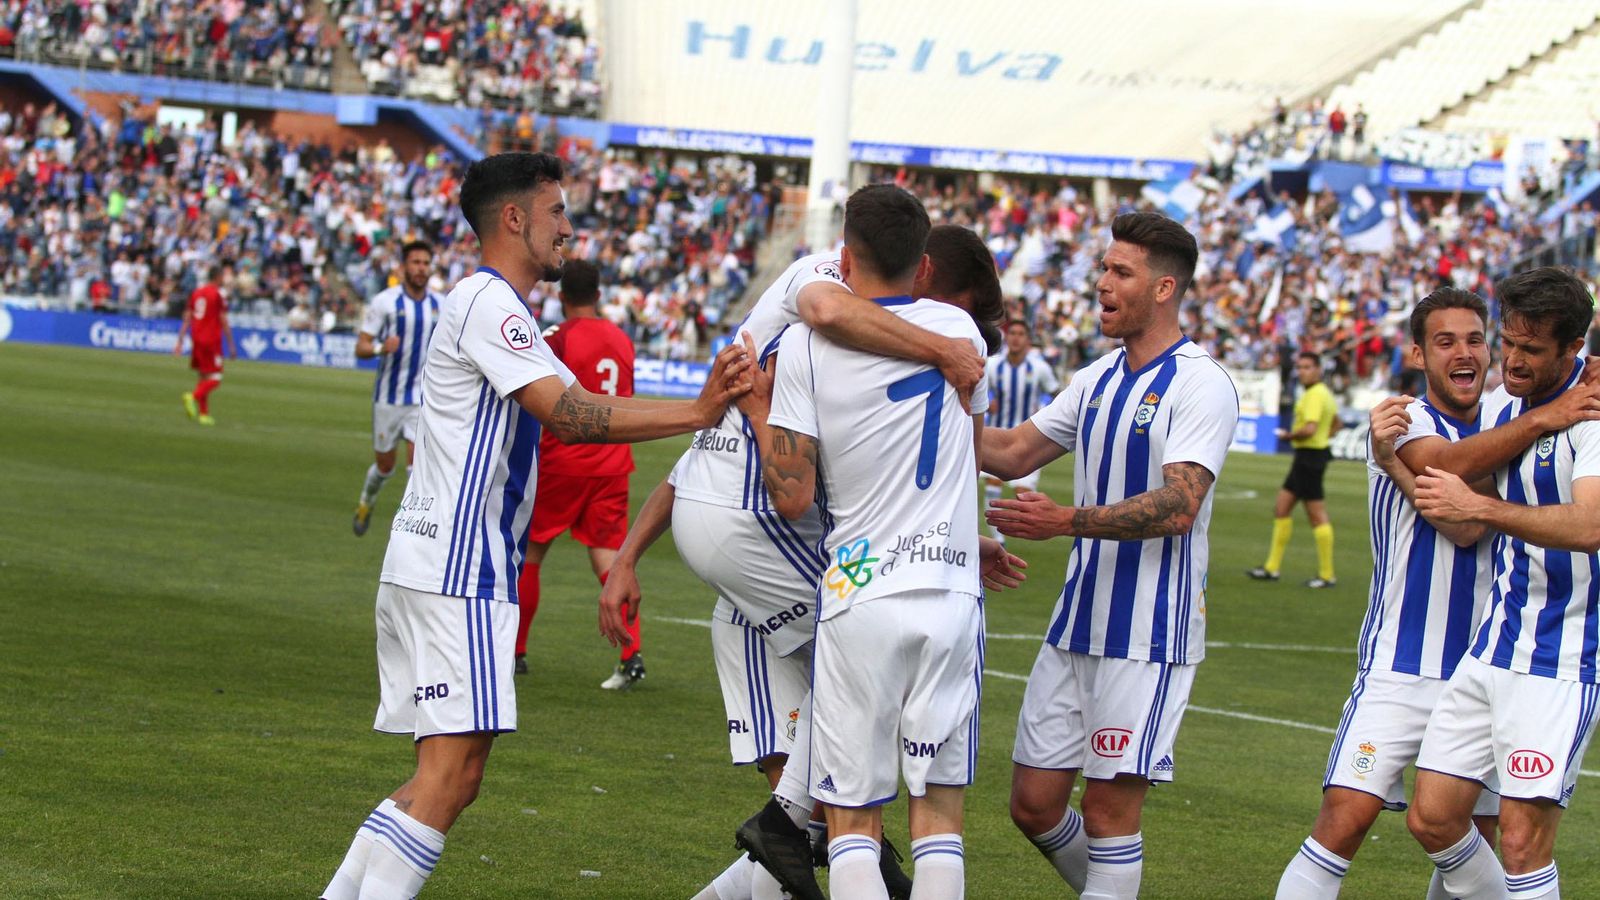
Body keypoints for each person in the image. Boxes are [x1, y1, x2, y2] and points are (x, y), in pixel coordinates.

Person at [319, 152, 752, 900]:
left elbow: (571, 403)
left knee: (447, 776)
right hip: (459, 566)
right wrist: (698, 410)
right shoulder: (489, 301)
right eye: (557, 212)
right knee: (449, 778)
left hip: (434, 558)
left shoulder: (495, 306)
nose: (570, 229)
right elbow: (571, 414)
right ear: (514, 218)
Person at [599, 223, 996, 900]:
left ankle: (789, 829)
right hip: (753, 520)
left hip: (720, 514)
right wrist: (947, 351)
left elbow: (705, 456)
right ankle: (789, 823)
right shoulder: (830, 308)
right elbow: (824, 317)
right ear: (921, 274)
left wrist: (628, 556)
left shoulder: (836, 339)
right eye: (951, 304)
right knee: (862, 677)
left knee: (828, 732)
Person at [736, 183, 1013, 900]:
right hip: (951, 592)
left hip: (861, 591)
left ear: (844, 254)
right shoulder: (967, 339)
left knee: (853, 817)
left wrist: (762, 410)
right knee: (940, 817)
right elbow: (965, 452)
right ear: (925, 265)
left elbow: (791, 494)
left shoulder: (803, 346)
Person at [981, 211, 1238, 900]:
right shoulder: (1097, 379)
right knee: (1033, 804)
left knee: (1107, 812)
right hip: (1078, 625)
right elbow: (1009, 452)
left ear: (1163, 289)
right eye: (1103, 268)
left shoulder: (1200, 384)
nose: (1101, 283)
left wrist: (1066, 520)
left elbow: (1179, 505)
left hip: (1148, 632)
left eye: (1119, 272)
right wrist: (936, 390)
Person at [1274, 288, 1504, 899]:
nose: (1463, 352)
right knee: (1342, 821)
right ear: (1418, 353)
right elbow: (1464, 522)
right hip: (1402, 664)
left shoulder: (1506, 424)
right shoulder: (1404, 423)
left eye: (1475, 339)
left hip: (1486, 670)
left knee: (1470, 835)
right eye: (1445, 341)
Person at [1404, 267, 1600, 900]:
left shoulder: (1593, 418)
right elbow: (1445, 462)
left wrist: (1482, 509)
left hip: (1563, 657)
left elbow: (1592, 523)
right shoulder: (1508, 402)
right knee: (1431, 818)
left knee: (1519, 842)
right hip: (1495, 643)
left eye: (1532, 350)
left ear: (1574, 349)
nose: (1511, 360)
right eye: (1508, 341)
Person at [511, 258, 646, 687]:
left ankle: (515, 652)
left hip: (562, 461)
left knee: (530, 553)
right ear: (599, 295)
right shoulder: (622, 340)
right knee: (609, 557)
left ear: (561, 295)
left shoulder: (556, 336)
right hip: (611, 464)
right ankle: (631, 654)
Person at [352, 240, 443, 536]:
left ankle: (408, 528)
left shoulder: (440, 305)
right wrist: (380, 346)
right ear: (404, 267)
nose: (421, 269)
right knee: (384, 468)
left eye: (425, 263)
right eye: (415, 262)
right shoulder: (385, 302)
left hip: (422, 400)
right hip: (389, 399)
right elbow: (361, 347)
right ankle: (366, 501)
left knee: (416, 469)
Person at [1249, 351, 1340, 588]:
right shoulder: (1324, 394)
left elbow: (1309, 429)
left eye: (1307, 367)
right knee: (1281, 508)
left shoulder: (1314, 395)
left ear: (1319, 369)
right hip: (1310, 456)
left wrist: (1290, 436)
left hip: (1309, 457)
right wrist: (1324, 437)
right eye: (1299, 367)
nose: (1302, 371)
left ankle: (1327, 574)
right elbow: (1336, 423)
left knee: (1316, 514)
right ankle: (1271, 568)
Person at [982, 319, 1061, 542]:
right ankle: (999, 540)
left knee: (1023, 495)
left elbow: (1057, 395)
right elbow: (975, 388)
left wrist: (1047, 415)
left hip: (1026, 438)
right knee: (993, 483)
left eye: (1021, 334)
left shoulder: (1039, 368)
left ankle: (1014, 535)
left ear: (1027, 340)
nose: (1016, 337)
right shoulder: (993, 365)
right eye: (1013, 333)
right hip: (996, 435)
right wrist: (988, 399)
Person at [174, 265, 236, 426]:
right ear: (217, 277)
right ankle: (192, 397)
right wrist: (231, 344)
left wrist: (180, 340)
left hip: (196, 339)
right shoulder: (217, 295)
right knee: (216, 378)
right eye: (222, 276)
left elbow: (187, 317)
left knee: (203, 377)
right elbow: (223, 319)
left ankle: (204, 414)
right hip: (211, 340)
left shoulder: (196, 293)